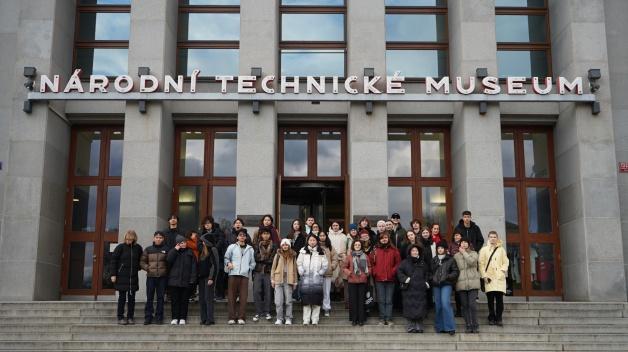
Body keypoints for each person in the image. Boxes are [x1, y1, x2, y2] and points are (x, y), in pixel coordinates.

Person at [110, 230, 143, 325]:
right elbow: (113, 261)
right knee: (122, 298)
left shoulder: (138, 248)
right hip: (121, 277)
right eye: (127, 239)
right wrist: (113, 274)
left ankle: (130, 317)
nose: (129, 241)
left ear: (134, 239)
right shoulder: (120, 247)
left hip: (133, 277)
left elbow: (141, 259)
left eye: (131, 240)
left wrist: (139, 267)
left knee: (132, 298)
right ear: (125, 238)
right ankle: (120, 317)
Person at [224, 230, 256, 325]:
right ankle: (232, 317)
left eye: (244, 235)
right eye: (240, 235)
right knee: (231, 297)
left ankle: (241, 317)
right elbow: (226, 258)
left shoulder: (250, 249)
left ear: (246, 238)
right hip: (233, 274)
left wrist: (248, 269)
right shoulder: (232, 247)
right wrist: (228, 263)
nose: (242, 237)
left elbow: (253, 262)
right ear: (237, 237)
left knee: (243, 297)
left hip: (244, 276)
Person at [397, 244, 430, 333]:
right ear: (410, 252)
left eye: (416, 251)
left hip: (420, 289)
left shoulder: (423, 263)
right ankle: (411, 326)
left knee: (420, 307)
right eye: (413, 251)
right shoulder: (404, 262)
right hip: (409, 289)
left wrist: (426, 282)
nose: (415, 252)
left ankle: (419, 326)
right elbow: (399, 272)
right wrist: (406, 279)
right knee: (409, 307)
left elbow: (427, 273)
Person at [370, 231, 401, 326]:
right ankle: (382, 319)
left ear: (388, 239)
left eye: (386, 238)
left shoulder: (394, 250)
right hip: (379, 279)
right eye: (382, 238)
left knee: (389, 300)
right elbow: (371, 264)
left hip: (390, 279)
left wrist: (392, 272)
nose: (384, 239)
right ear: (379, 239)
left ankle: (389, 319)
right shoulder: (375, 250)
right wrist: (375, 272)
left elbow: (398, 264)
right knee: (381, 300)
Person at [479, 231, 509, 327]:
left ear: (497, 238)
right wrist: (484, 276)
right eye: (491, 237)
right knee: (490, 300)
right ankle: (491, 317)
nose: (492, 238)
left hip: (499, 278)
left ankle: (499, 318)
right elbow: (481, 264)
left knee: (499, 300)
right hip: (489, 278)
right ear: (488, 238)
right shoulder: (484, 250)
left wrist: (502, 271)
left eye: (494, 237)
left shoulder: (501, 250)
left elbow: (506, 262)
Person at [297, 234, 329, 325]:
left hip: (317, 280)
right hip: (305, 279)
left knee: (316, 300)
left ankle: (315, 319)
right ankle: (306, 320)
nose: (312, 242)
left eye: (314, 240)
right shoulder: (303, 251)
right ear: (308, 241)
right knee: (306, 300)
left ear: (316, 241)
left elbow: (325, 265)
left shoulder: (321, 251)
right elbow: (299, 263)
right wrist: (301, 271)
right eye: (310, 240)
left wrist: (320, 273)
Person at [167, 234, 197, 325]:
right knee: (175, 301)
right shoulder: (173, 251)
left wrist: (192, 279)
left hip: (186, 281)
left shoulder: (190, 252)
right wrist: (175, 250)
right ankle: (175, 318)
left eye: (184, 242)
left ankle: (183, 318)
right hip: (174, 281)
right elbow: (168, 260)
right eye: (181, 243)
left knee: (184, 301)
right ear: (177, 244)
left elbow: (194, 267)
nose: (183, 244)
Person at [431, 240, 459, 335]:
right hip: (436, 285)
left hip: (446, 284)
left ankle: (450, 327)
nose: (440, 249)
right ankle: (440, 327)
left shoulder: (450, 259)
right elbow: (430, 273)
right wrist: (432, 279)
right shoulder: (434, 260)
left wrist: (447, 277)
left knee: (445, 303)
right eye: (438, 248)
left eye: (442, 248)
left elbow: (455, 272)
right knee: (438, 305)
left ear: (445, 249)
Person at [140, 231, 168, 325]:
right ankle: (148, 317)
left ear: (163, 239)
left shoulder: (166, 249)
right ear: (153, 238)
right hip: (151, 277)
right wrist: (148, 268)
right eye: (157, 237)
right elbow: (142, 262)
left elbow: (170, 262)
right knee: (150, 298)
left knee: (160, 298)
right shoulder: (148, 249)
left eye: (160, 237)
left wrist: (165, 270)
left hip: (162, 277)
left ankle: (159, 318)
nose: (158, 239)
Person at [454, 237, 481, 333]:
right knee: (465, 305)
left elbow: (472, 262)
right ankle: (468, 325)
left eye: (466, 242)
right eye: (462, 242)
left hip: (473, 283)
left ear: (469, 244)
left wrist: (464, 253)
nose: (464, 244)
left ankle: (475, 324)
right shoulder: (456, 256)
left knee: (472, 305)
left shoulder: (474, 253)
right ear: (460, 244)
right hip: (461, 283)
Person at [343, 240, 372, 326]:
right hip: (352, 281)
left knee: (361, 300)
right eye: (356, 244)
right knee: (353, 301)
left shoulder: (365, 256)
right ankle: (354, 319)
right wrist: (350, 273)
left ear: (361, 246)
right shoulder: (349, 256)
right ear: (353, 246)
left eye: (359, 245)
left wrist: (367, 274)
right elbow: (344, 267)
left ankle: (361, 319)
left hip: (362, 281)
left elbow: (370, 267)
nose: (357, 246)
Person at [252, 227, 277, 322]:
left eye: (267, 233)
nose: (265, 235)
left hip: (269, 271)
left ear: (270, 235)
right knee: (256, 291)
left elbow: (273, 258)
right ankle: (258, 312)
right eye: (264, 234)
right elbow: (255, 257)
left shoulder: (274, 245)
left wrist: (262, 258)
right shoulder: (256, 245)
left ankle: (267, 311)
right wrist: (265, 257)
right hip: (258, 271)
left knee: (268, 292)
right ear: (261, 235)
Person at [271, 238, 298, 325]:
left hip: (289, 280)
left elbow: (295, 269)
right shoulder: (278, 255)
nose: (285, 246)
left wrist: (295, 281)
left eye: (286, 245)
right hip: (278, 279)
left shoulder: (293, 255)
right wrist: (272, 279)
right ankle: (279, 318)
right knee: (278, 301)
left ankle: (288, 318)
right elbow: (273, 268)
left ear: (289, 246)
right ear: (281, 246)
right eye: (283, 245)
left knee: (288, 301)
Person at [200, 216, 226, 300]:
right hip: (206, 258)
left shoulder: (218, 232)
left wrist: (214, 249)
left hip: (218, 256)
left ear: (212, 223)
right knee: (208, 276)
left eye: (208, 223)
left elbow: (221, 241)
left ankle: (220, 294)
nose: (206, 225)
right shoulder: (202, 233)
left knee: (219, 275)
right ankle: (210, 294)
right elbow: (199, 244)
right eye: (205, 224)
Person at [198, 231, 219, 326]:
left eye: (203, 241)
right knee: (202, 299)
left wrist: (211, 278)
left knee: (208, 298)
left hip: (208, 278)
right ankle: (203, 318)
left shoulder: (213, 249)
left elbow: (215, 265)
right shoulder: (202, 251)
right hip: (201, 278)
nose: (202, 243)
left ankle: (210, 319)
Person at [318, 231, 338, 317]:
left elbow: (335, 258)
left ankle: (326, 308)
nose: (322, 237)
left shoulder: (330, 247)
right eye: (320, 235)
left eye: (323, 235)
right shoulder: (315, 246)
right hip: (317, 273)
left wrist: (332, 266)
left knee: (326, 292)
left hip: (327, 273)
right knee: (318, 291)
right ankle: (317, 308)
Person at [328, 221, 348, 301]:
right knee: (332, 277)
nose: (335, 227)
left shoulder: (344, 236)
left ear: (339, 226)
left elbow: (346, 248)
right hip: (332, 259)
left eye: (337, 225)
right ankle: (332, 293)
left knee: (340, 278)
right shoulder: (328, 235)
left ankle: (338, 294)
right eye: (334, 225)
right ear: (331, 226)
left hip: (341, 259)